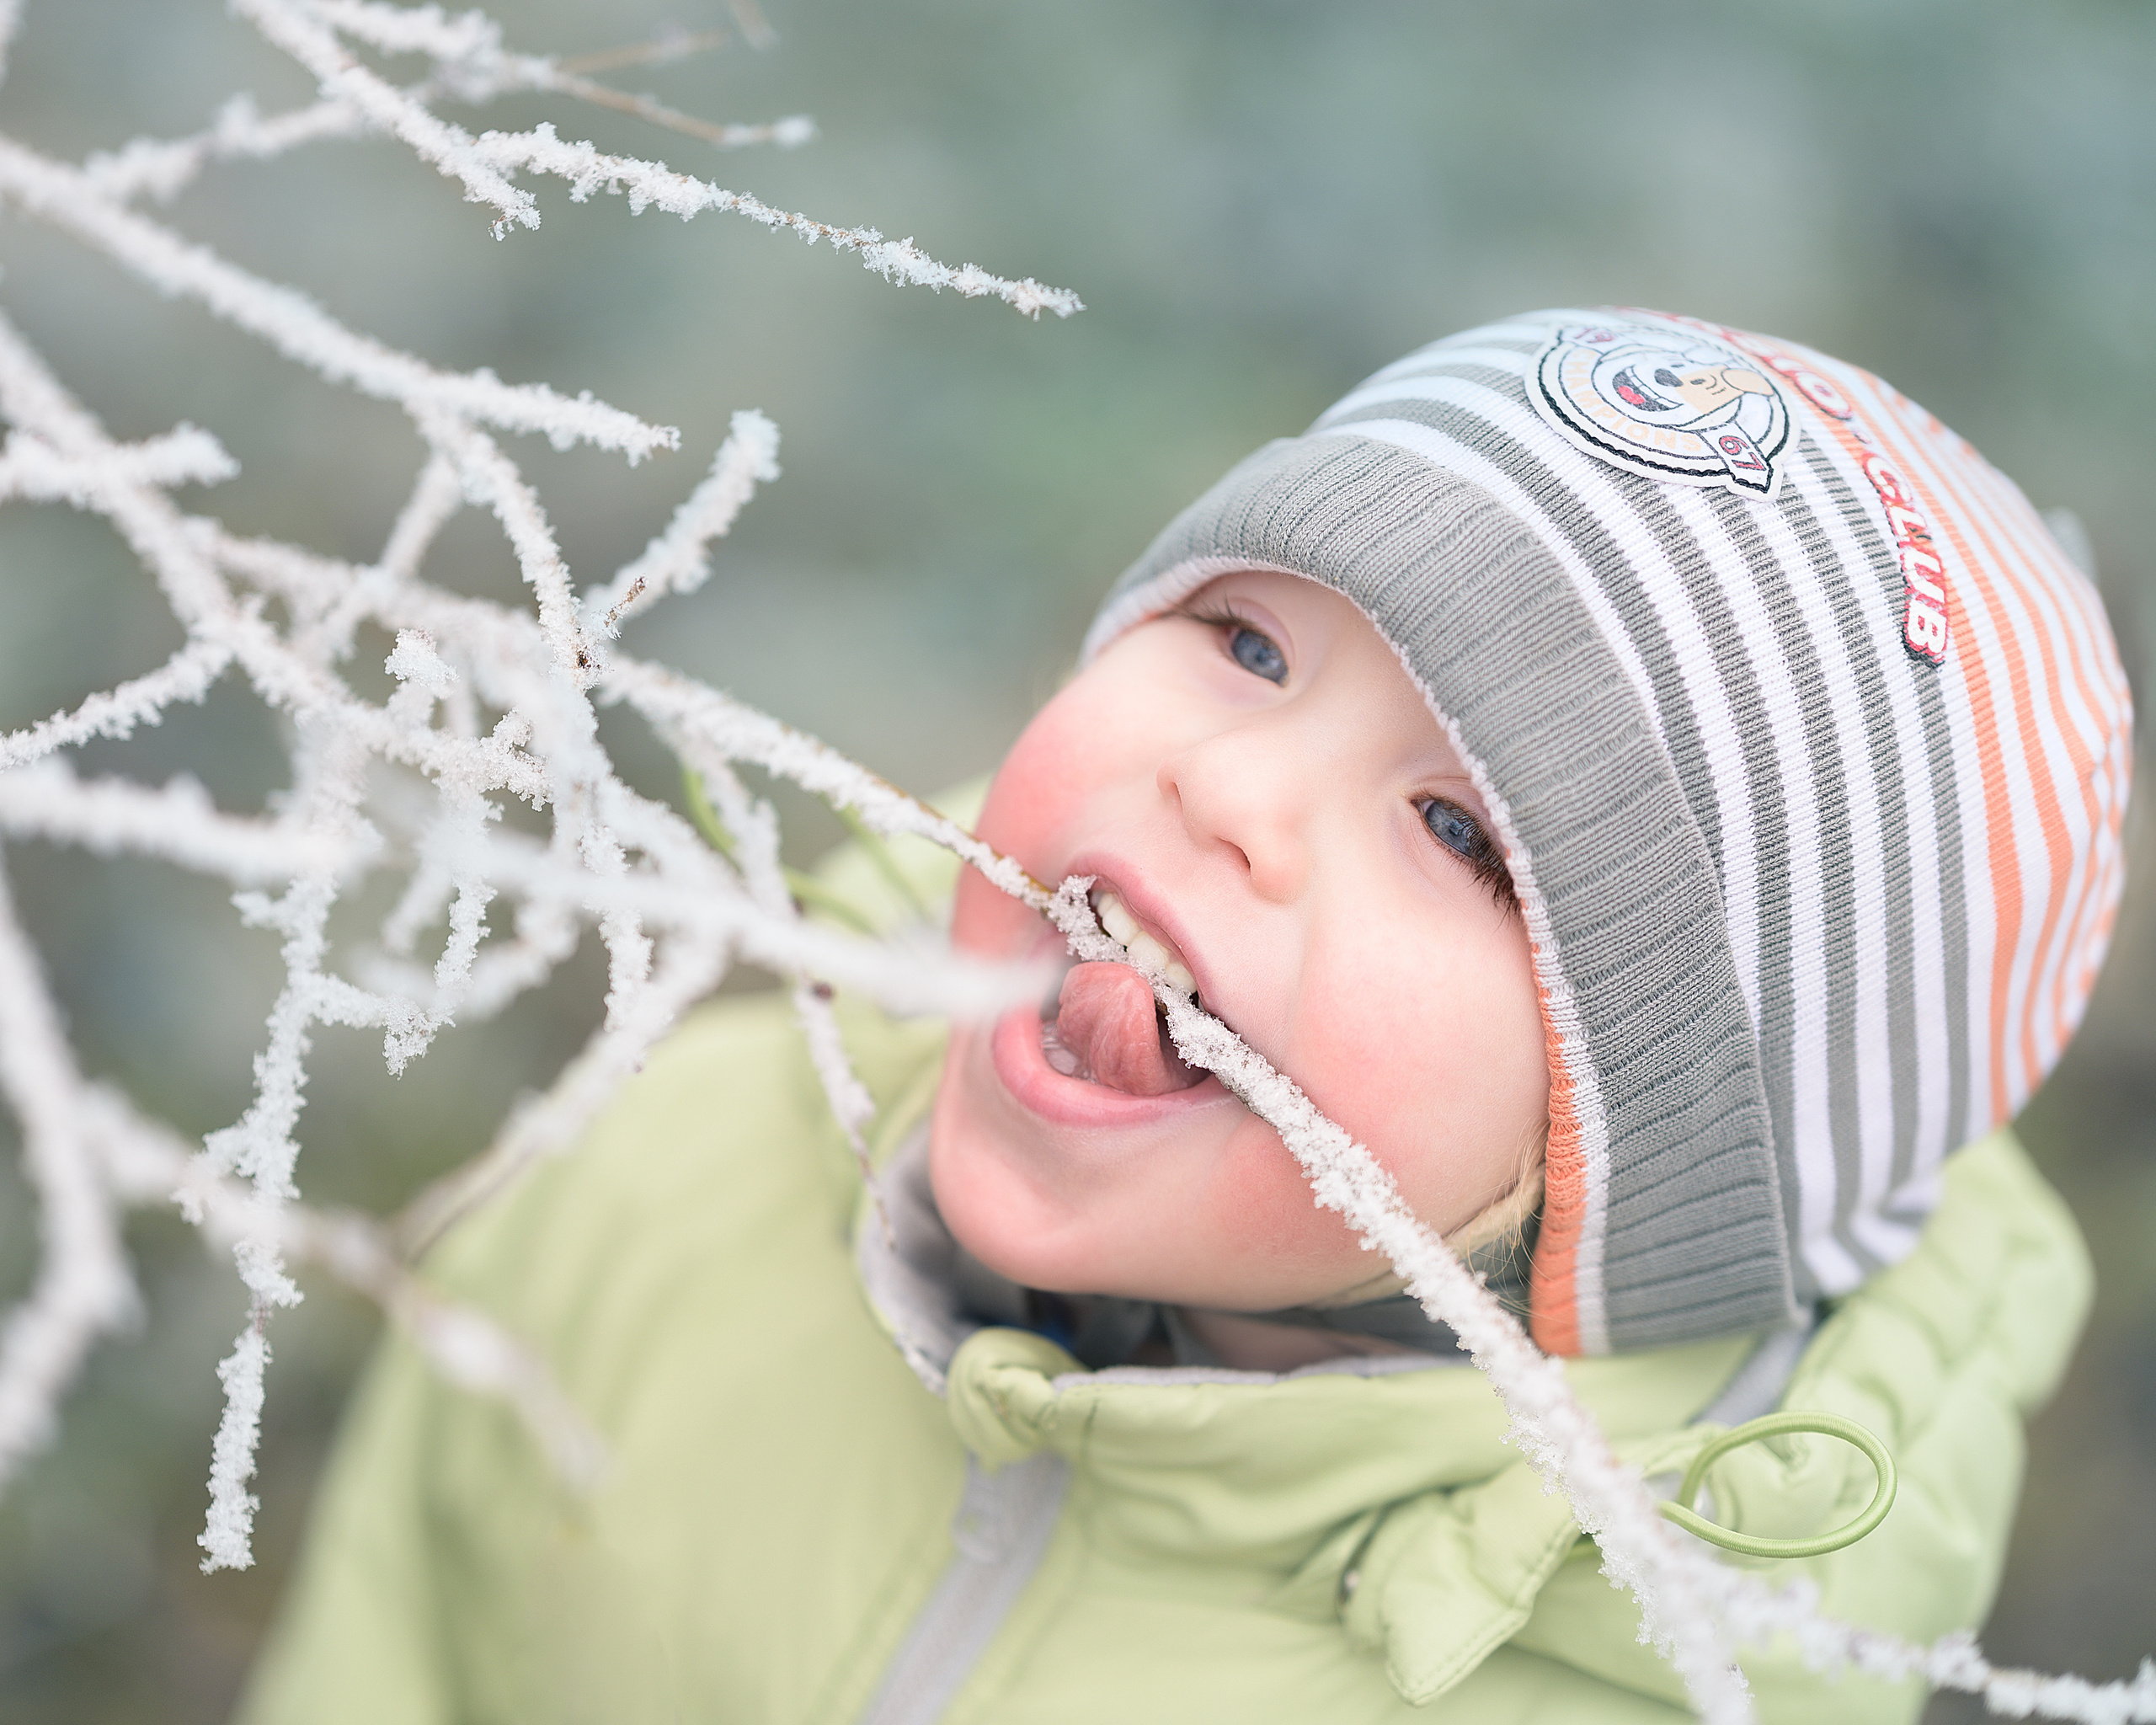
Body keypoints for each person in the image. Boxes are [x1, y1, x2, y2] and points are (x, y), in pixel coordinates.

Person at [237, 307, 2132, 1724]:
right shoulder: (684, 1175)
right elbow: (402, 1634)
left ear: (1635, 1181)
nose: (1232, 790)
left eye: (1458, 831)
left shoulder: (1616, 1686)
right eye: (1246, 641)